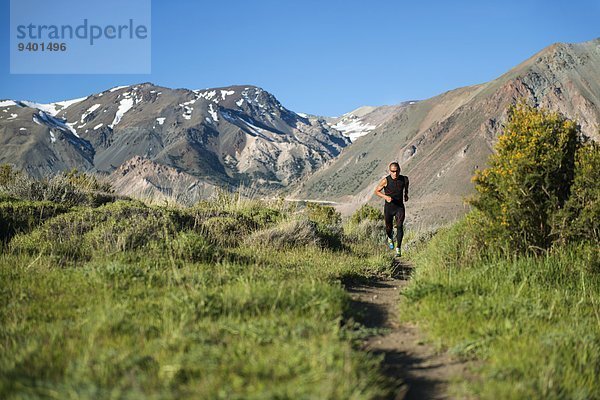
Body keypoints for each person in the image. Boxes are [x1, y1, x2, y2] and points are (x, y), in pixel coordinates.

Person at [374, 162, 409, 257]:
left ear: (399, 170)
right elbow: (376, 191)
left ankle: (398, 249)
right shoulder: (385, 180)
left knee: (400, 226)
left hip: (399, 207)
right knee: (388, 228)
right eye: (393, 171)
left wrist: (406, 195)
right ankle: (390, 237)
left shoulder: (404, 179)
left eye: (397, 171)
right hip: (389, 208)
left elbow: (406, 187)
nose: (395, 173)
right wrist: (385, 197)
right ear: (390, 171)